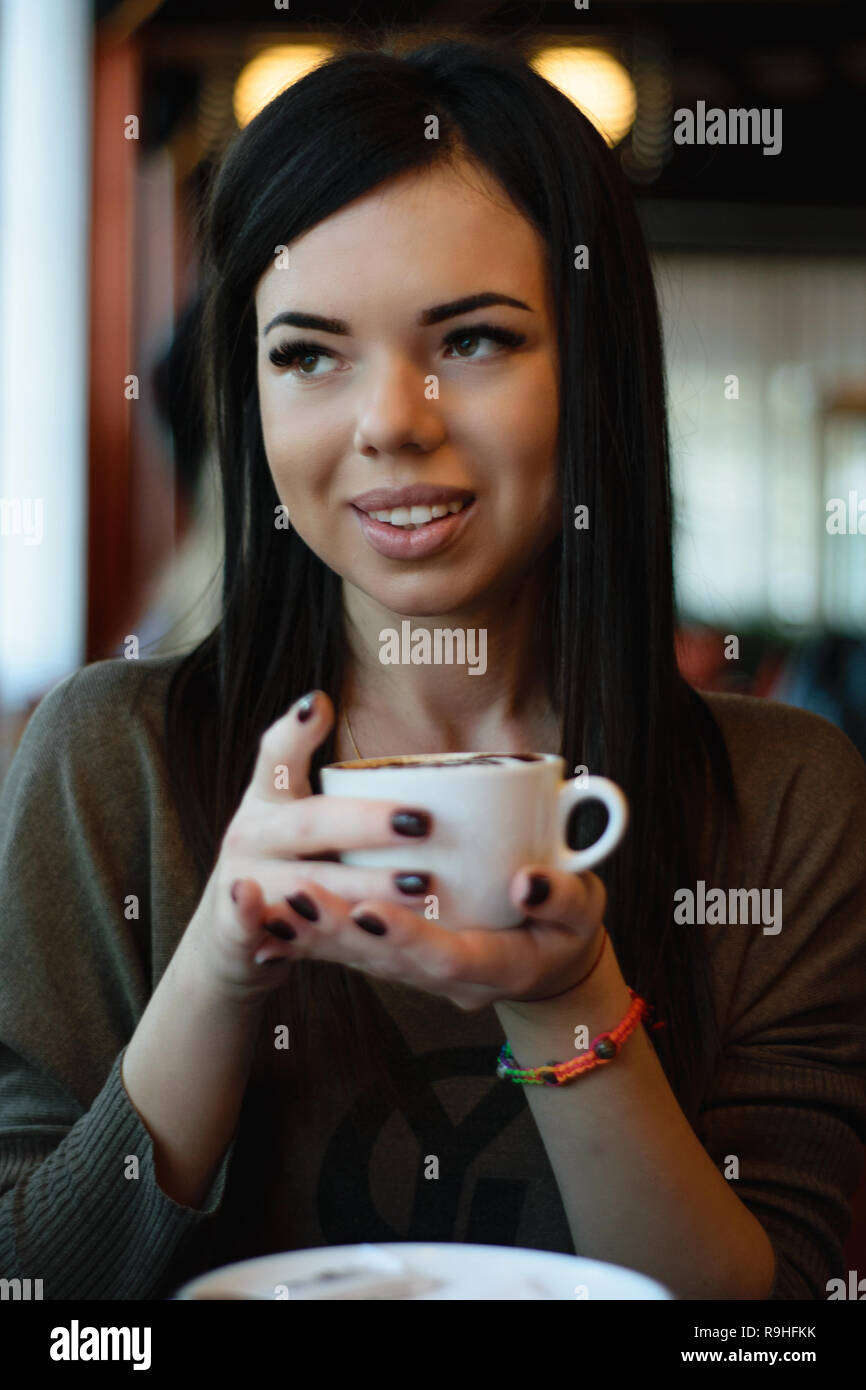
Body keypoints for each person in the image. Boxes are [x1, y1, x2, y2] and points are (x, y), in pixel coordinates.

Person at [1, 38, 865, 1303]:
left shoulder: (785, 802)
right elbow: (36, 1298)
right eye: (307, 352)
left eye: (470, 339)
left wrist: (566, 1000)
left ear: (593, 369)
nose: (391, 420)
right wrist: (220, 966)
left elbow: (767, 1323)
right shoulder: (108, 762)